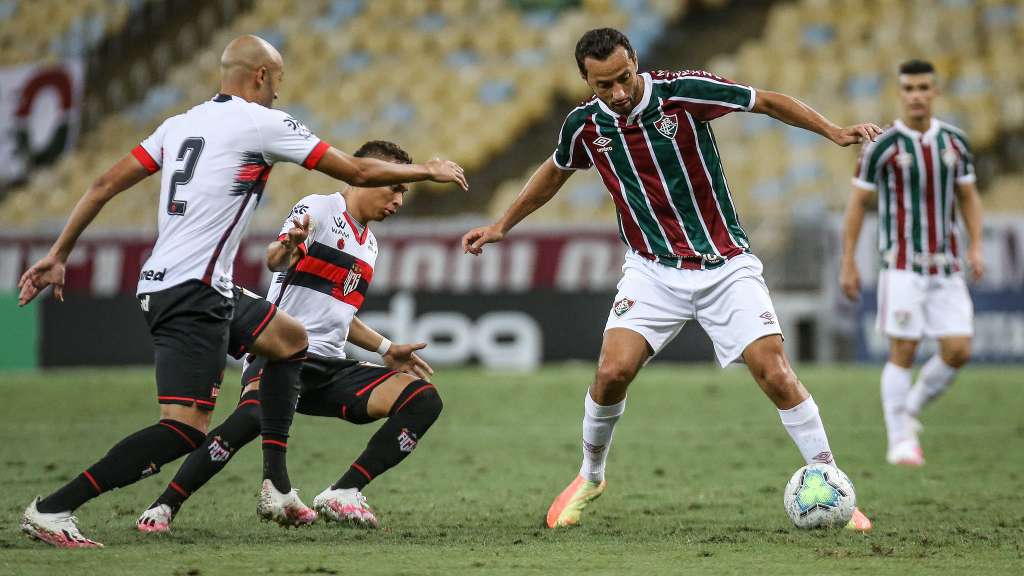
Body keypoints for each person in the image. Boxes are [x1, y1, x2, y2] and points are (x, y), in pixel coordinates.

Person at [18, 35, 466, 548]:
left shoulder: (178, 125)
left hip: (197, 286)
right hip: (193, 292)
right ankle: (54, 508)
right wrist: (427, 171)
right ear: (260, 76)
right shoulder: (261, 123)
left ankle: (275, 483)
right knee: (184, 430)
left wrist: (59, 253)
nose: (279, 92)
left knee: (288, 339)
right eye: (277, 81)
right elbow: (358, 170)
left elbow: (101, 184)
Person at [462, 28, 880, 531]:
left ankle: (832, 485)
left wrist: (834, 131)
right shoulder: (585, 126)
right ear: (586, 82)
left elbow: (765, 101)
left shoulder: (683, 91)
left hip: (724, 263)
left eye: (623, 78)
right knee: (611, 373)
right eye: (603, 86)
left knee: (774, 372)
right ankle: (590, 476)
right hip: (652, 270)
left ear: (635, 61)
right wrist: (502, 224)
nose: (617, 93)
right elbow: (555, 171)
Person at [136, 140, 442, 533]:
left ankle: (344, 491)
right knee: (249, 418)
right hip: (281, 354)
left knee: (422, 399)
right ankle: (163, 506)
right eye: (395, 187)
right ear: (370, 175)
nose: (400, 199)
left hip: (329, 366)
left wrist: (386, 348)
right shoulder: (319, 208)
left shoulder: (370, 245)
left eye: (404, 191)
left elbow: (338, 314)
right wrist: (288, 248)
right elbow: (274, 259)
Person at [841, 59, 983, 467]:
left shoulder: (955, 143)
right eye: (909, 88)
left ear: (934, 92)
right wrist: (848, 260)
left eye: (923, 87)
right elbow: (857, 204)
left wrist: (976, 246)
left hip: (946, 265)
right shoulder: (882, 146)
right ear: (900, 94)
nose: (916, 95)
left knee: (958, 350)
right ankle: (900, 440)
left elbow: (968, 197)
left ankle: (911, 407)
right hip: (901, 264)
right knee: (903, 348)